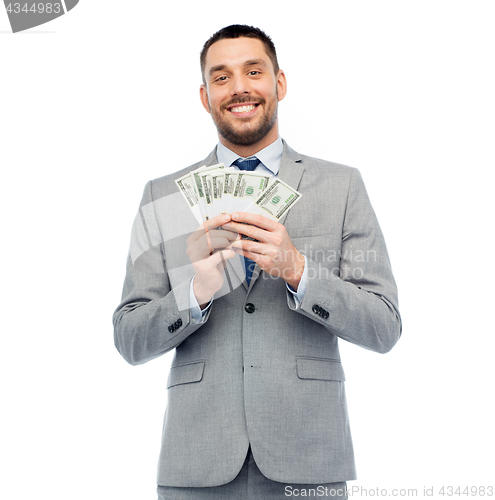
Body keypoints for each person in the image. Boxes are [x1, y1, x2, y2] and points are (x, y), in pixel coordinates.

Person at [113, 24, 402, 499]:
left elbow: (385, 327)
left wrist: (299, 271)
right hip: (196, 462)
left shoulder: (342, 187)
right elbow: (128, 339)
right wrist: (193, 293)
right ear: (205, 97)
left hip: (309, 459)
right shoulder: (162, 197)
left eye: (254, 71)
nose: (240, 87)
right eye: (221, 78)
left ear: (279, 83)